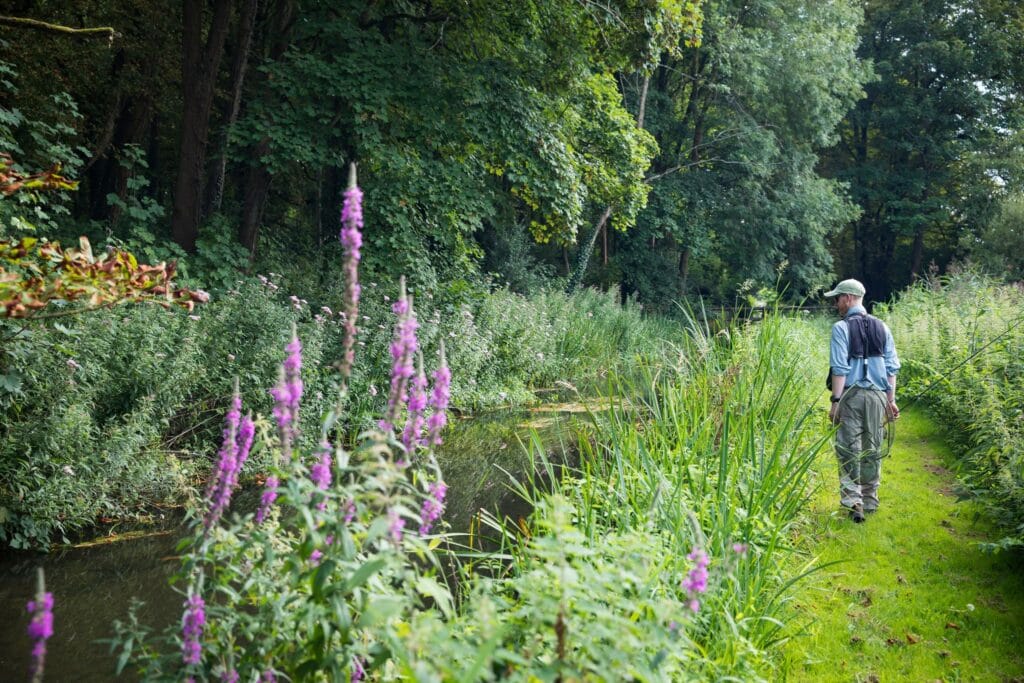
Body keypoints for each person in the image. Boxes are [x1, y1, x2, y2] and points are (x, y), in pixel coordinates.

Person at [824, 279, 900, 523]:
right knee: (873, 447)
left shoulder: (841, 328)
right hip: (878, 396)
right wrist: (891, 400)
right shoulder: (883, 327)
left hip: (851, 395)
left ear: (848, 298)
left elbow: (839, 368)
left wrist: (836, 401)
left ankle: (852, 500)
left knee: (848, 447)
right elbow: (891, 368)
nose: (836, 304)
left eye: (837, 299)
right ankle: (869, 500)